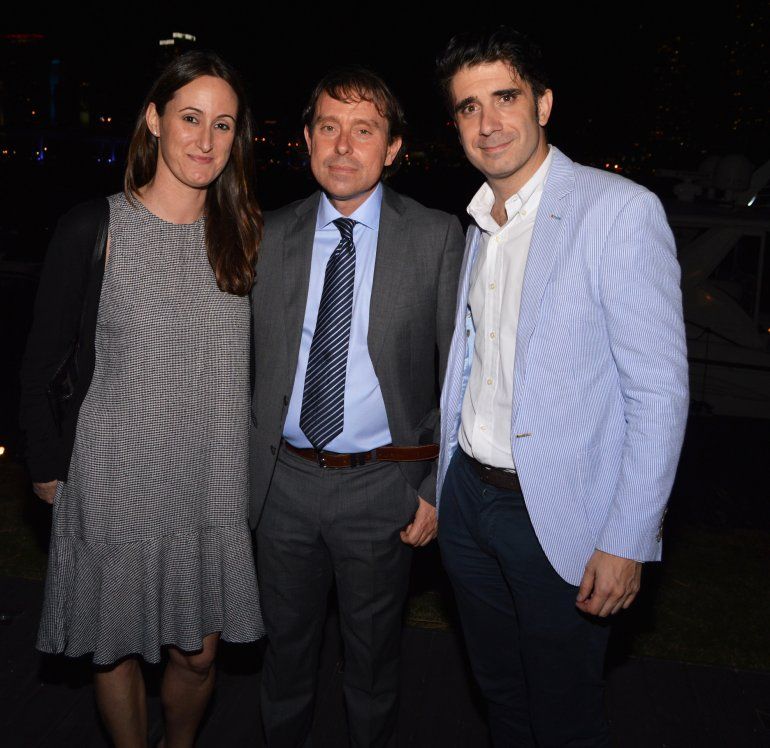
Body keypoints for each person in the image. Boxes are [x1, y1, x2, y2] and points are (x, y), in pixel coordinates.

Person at [434, 28, 689, 746]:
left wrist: (628, 537)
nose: (488, 123)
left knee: (566, 713)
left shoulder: (618, 211)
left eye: (505, 97)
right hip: (469, 504)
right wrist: (443, 487)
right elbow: (471, 369)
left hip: (558, 519)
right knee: (501, 697)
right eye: (468, 107)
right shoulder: (481, 221)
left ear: (543, 103)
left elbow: (660, 392)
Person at [20, 51, 263, 747]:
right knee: (115, 641)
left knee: (200, 652)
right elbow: (40, 365)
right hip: (114, 472)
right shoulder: (93, 228)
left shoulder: (245, 236)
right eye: (190, 118)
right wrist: (45, 467)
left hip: (211, 483)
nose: (205, 140)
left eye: (223, 125)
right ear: (155, 119)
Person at [249, 67, 464, 747]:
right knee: (283, 657)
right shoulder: (264, 235)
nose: (344, 145)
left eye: (364, 129)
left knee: (372, 664)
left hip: (382, 489)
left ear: (393, 147)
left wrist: (434, 485)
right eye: (329, 127)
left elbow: (464, 370)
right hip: (280, 487)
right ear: (307, 139)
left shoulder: (436, 238)